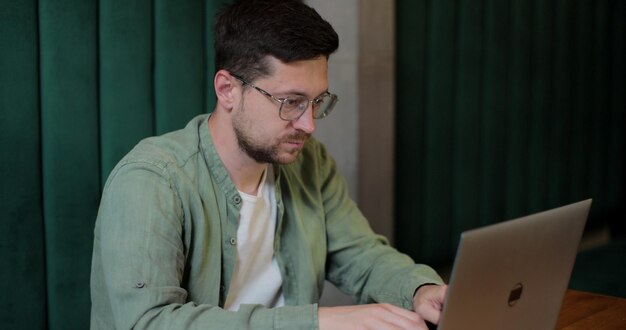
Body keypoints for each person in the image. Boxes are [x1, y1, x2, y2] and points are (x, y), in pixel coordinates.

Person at [90, 0, 447, 329]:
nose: (309, 124)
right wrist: (317, 323)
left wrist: (420, 289)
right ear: (228, 89)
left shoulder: (310, 162)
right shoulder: (153, 180)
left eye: (317, 101)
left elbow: (362, 257)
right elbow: (148, 323)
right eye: (291, 102)